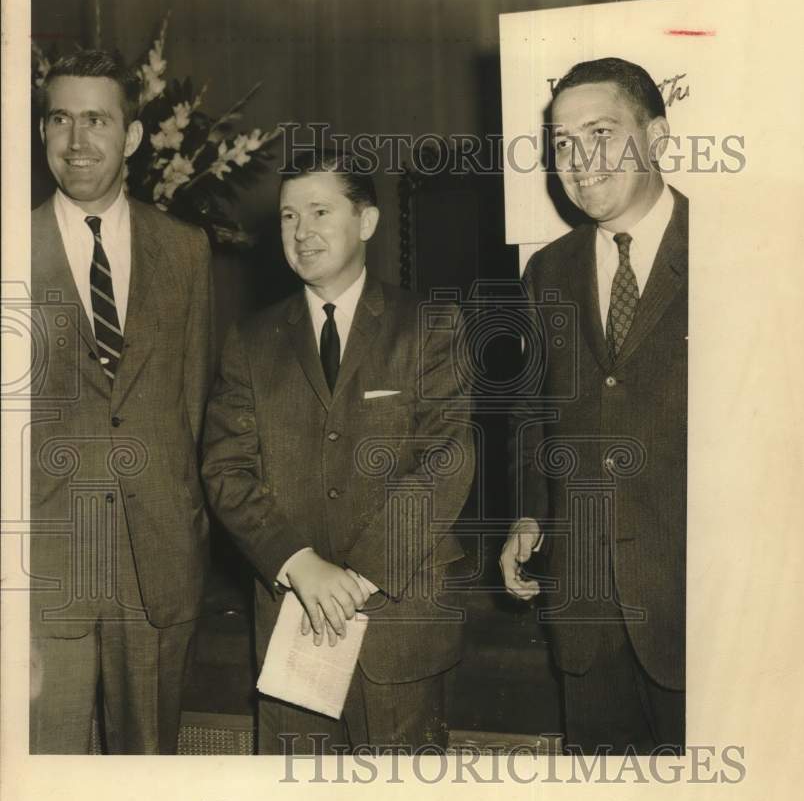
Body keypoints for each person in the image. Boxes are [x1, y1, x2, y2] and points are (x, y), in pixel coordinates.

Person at [201, 152, 474, 754]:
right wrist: (300, 564)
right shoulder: (250, 341)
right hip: (291, 624)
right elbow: (225, 469)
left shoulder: (429, 324)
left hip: (400, 621)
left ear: (368, 222)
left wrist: (360, 574)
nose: (301, 232)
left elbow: (446, 459)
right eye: (288, 217)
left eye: (320, 212)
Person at [500, 57, 687, 754]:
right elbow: (530, 410)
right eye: (564, 145)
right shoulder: (548, 269)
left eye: (601, 133)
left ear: (659, 136)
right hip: (585, 609)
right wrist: (528, 511)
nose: (581, 161)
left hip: (701, 608)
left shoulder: (732, 249)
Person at [29, 50, 214, 754]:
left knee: (150, 784)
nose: (77, 142)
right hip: (45, 577)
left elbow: (193, 408)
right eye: (60, 119)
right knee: (45, 791)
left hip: (158, 569)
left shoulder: (186, 250)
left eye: (97, 120)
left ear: (132, 137)